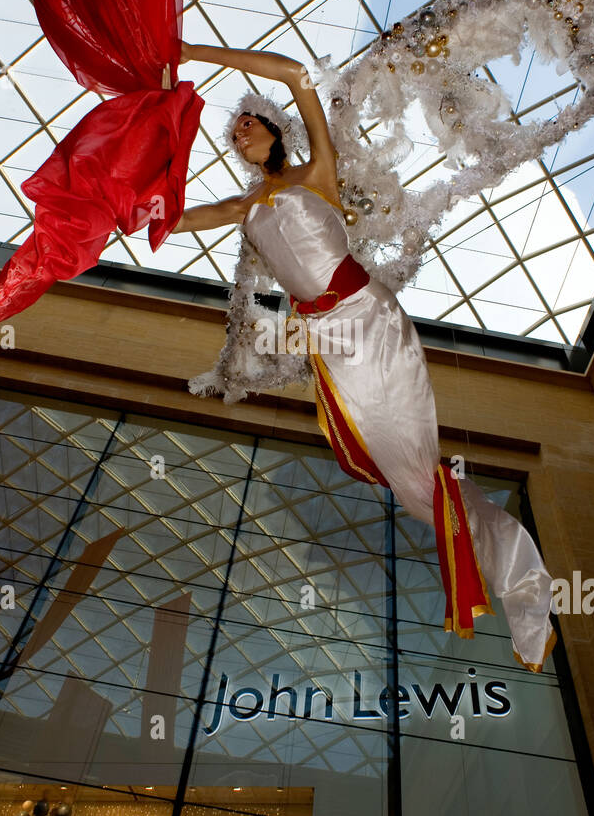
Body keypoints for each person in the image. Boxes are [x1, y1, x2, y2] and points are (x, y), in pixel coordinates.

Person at [175, 41, 557, 674]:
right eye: (233, 131)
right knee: (413, 486)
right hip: (328, 341)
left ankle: (526, 593)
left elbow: (298, 76)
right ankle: (506, 576)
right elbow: (174, 220)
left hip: (370, 320)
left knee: (418, 458)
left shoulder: (317, 171)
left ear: (274, 129)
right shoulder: (242, 209)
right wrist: (117, 213)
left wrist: (194, 51)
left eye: (248, 120)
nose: (239, 132)